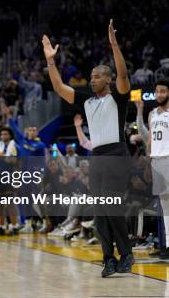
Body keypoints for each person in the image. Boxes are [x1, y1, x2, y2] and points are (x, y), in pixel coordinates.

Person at [42, 19, 134, 278]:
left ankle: (126, 254)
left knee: (111, 205)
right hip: (97, 156)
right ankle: (109, 258)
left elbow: (124, 75)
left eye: (97, 76)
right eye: (91, 77)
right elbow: (59, 88)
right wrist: (50, 61)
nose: (92, 80)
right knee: (99, 210)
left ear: (108, 78)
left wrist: (114, 45)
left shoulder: (118, 96)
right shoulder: (86, 100)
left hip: (117, 153)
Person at [148, 79, 169, 259]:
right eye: (157, 91)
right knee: (164, 206)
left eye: (162, 91)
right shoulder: (152, 113)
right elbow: (150, 141)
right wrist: (149, 160)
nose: (159, 94)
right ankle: (167, 245)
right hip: (157, 161)